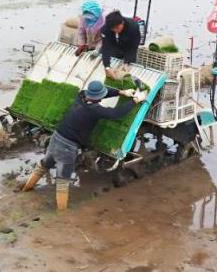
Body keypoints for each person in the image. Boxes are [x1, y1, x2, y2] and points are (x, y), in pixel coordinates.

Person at [22, 80, 146, 210]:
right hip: (68, 146)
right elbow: (116, 114)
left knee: (44, 164)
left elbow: (102, 93)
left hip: (56, 137)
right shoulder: (94, 110)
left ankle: (26, 189)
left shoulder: (81, 96)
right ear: (99, 97)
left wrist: (121, 92)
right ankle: (62, 212)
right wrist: (135, 100)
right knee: (63, 180)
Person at [100, 10, 141, 78]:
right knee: (107, 65)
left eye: (117, 28)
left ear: (122, 22)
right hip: (113, 48)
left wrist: (127, 62)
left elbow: (133, 46)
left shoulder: (133, 27)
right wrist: (107, 66)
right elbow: (106, 47)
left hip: (127, 47)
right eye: (113, 29)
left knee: (127, 69)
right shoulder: (105, 29)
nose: (116, 30)